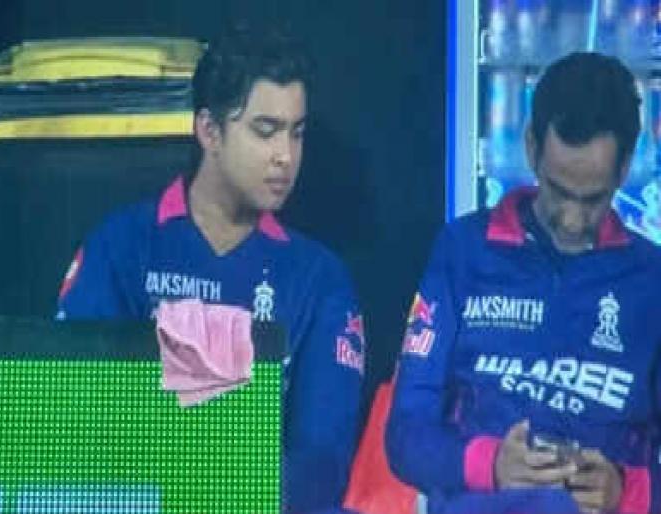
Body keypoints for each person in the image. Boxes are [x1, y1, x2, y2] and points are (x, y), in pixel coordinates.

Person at [56, 25, 364, 514]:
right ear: (209, 131)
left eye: (297, 132)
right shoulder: (120, 246)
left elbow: (320, 465)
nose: (286, 156)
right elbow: (76, 420)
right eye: (265, 130)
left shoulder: (321, 279)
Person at [386, 52, 661, 514]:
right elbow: (405, 435)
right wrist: (489, 465)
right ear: (531, 148)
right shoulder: (462, 250)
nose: (572, 220)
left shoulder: (652, 282)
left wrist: (625, 490)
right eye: (559, 191)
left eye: (593, 199)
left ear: (625, 168)